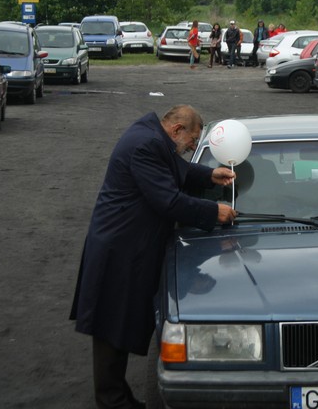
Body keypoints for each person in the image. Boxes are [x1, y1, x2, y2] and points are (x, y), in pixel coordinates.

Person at [69, 105, 237, 409]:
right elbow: (168, 200)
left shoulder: (152, 138)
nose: (189, 149)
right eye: (190, 143)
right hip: (118, 250)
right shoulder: (145, 144)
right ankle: (112, 401)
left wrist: (210, 175)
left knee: (118, 323)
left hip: (128, 247)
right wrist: (215, 211)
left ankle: (118, 397)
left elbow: (177, 170)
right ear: (176, 131)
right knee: (110, 326)